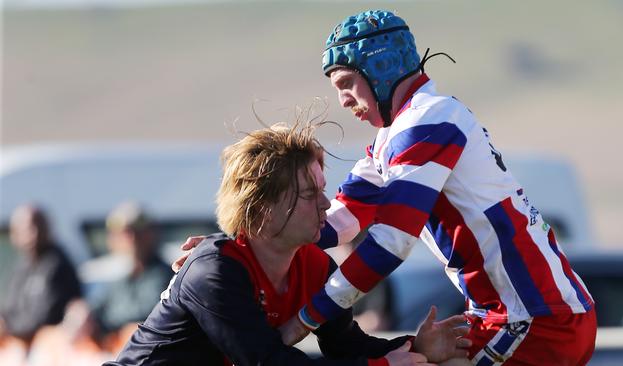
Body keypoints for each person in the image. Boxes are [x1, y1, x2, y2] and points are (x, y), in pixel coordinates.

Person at [174, 9, 597, 365]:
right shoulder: (394, 137)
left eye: (345, 84)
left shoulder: (428, 121)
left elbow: (392, 242)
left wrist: (304, 319)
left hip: (535, 318)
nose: (342, 100)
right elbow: (332, 223)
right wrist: (236, 241)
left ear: (379, 68)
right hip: (523, 313)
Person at [105, 123, 470, 366]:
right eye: (310, 194)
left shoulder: (313, 266)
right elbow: (267, 363)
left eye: (322, 190)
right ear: (261, 208)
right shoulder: (214, 271)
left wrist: (416, 347)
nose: (327, 204)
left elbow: (348, 348)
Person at [0, 204, 82, 344]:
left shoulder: (57, 263)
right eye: (27, 229)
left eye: (37, 226)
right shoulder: (22, 266)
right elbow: (10, 308)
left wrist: (11, 330)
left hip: (49, 343)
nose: (33, 234)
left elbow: (46, 316)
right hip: (21, 340)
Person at [91, 202, 174, 335]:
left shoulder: (166, 276)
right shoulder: (113, 275)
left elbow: (148, 316)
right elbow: (97, 310)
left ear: (151, 234)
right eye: (124, 233)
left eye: (137, 232)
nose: (131, 239)